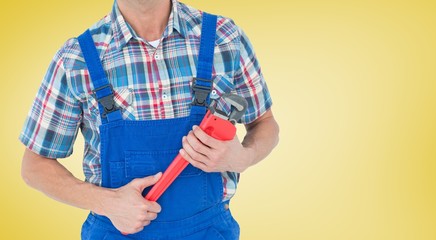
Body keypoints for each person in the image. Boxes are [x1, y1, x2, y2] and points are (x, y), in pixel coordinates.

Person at [19, 0, 279, 239]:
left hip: (209, 231)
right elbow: (34, 166)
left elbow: (264, 123)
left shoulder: (224, 37)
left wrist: (243, 157)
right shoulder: (76, 58)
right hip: (118, 232)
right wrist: (106, 202)